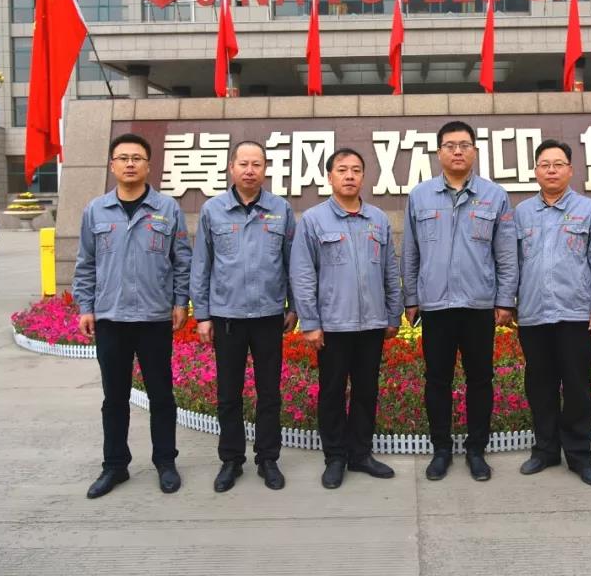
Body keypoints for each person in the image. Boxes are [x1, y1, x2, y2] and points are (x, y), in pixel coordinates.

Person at [72, 134, 192, 499]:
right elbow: (86, 263)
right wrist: (86, 307)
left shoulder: (167, 208)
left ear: (148, 166)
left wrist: (181, 301)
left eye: (136, 158)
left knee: (161, 395)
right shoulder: (96, 210)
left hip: (154, 318)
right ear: (112, 165)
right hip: (111, 318)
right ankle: (115, 465)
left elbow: (182, 260)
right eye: (122, 158)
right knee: (114, 398)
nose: (129, 164)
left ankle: (165, 462)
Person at [402, 121, 518, 482]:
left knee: (480, 379)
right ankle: (441, 450)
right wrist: (411, 298)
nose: (457, 151)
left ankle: (476, 450)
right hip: (436, 306)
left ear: (475, 152)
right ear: (439, 153)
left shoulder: (495, 196)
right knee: (437, 380)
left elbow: (506, 253)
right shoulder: (420, 196)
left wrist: (505, 300)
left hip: (478, 305)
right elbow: (410, 251)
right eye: (450, 145)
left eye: (464, 145)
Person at [290, 148, 402, 489]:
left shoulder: (378, 219)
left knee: (367, 391)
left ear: (363, 177)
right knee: (333, 392)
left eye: (356, 169)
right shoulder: (313, 220)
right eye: (342, 169)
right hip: (334, 325)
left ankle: (361, 454)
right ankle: (335, 457)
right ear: (330, 177)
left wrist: (393, 314)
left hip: (372, 324)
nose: (350, 175)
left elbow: (390, 269)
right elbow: (303, 274)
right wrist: (310, 323)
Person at [191, 141, 297, 493]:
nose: (250, 170)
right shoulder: (213, 210)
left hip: (268, 315)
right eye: (244, 164)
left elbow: (292, 263)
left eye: (257, 164)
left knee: (269, 393)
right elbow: (201, 264)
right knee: (228, 393)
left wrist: (294, 307)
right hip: (227, 316)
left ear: (265, 169)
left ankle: (268, 458)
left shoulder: (281, 209)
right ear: (231, 168)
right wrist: (202, 315)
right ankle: (231, 460)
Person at [513, 139, 591, 486]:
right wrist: (508, 304)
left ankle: (579, 455)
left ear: (571, 170)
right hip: (533, 316)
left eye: (558, 164)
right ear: (535, 171)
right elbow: (510, 263)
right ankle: (545, 450)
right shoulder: (522, 213)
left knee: (577, 388)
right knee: (540, 386)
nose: (551, 170)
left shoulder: (590, 210)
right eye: (545, 165)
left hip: (576, 316)